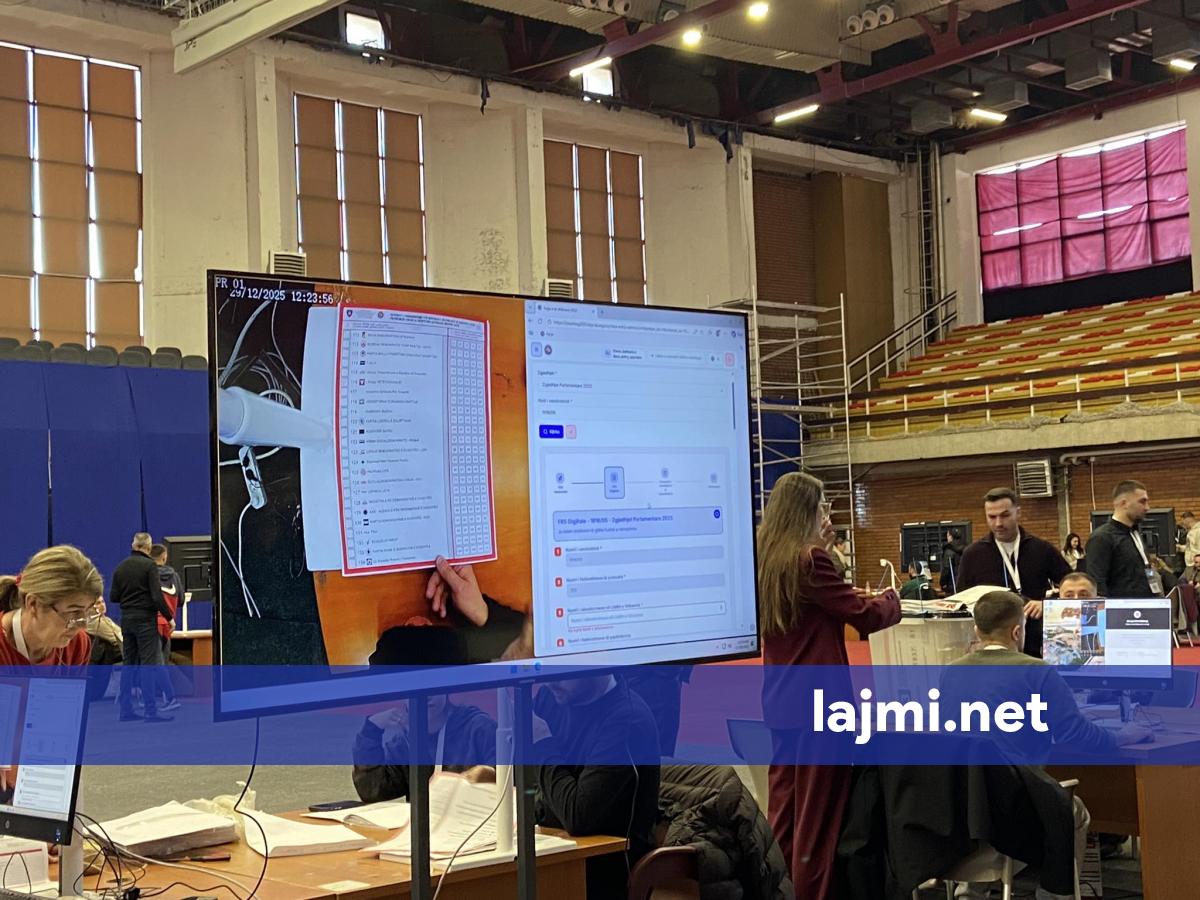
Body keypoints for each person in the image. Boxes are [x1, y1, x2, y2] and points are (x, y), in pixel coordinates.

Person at [946, 591, 1147, 900]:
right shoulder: (1037, 671)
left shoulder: (951, 671)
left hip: (964, 803)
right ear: (1017, 631)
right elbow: (1075, 734)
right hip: (1012, 803)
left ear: (977, 630)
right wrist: (1125, 736)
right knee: (1075, 812)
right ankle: (1056, 894)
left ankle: (972, 889)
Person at [758, 471, 900, 900]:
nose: (826, 515)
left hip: (781, 700)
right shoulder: (811, 559)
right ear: (807, 510)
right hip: (820, 706)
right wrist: (892, 597)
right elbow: (864, 616)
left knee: (784, 815)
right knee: (818, 823)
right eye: (822, 506)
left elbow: (825, 605)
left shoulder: (766, 558)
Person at [957, 487, 1071, 658]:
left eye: (1005, 515)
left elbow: (1073, 586)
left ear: (1018, 513)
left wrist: (1047, 604)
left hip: (1036, 641)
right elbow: (960, 599)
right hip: (992, 646)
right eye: (992, 517)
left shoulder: (1041, 549)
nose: (998, 523)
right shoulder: (973, 554)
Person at [352, 694, 499, 803]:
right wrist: (371, 730)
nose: (427, 696)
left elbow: (507, 781)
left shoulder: (479, 728)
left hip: (474, 822)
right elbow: (372, 791)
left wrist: (489, 775)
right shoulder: (404, 741)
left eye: (433, 688)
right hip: (424, 827)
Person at [111, 532, 176, 722]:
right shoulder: (149, 566)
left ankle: (125, 710)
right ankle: (150, 710)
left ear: (133, 545)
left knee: (129, 664)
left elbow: (114, 597)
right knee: (148, 664)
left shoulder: (120, 567)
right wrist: (169, 617)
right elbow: (156, 596)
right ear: (148, 547)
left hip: (127, 619)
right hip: (146, 620)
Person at [0, 546, 100, 666]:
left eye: (89, 611)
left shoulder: (78, 643)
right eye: (73, 611)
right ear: (33, 603)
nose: (83, 626)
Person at [1086, 480, 1158, 600]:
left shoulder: (1135, 534)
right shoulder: (1101, 538)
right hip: (1121, 608)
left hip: (1145, 604)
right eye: (1142, 501)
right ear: (1124, 503)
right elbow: (1097, 584)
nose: (1147, 507)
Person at [150, 545, 181, 713]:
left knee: (157, 662)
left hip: (153, 623)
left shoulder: (148, 576)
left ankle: (170, 697)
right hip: (168, 625)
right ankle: (161, 697)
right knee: (163, 661)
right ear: (165, 557)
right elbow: (181, 600)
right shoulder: (175, 576)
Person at [940, 528, 966, 594]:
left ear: (951, 537)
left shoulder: (948, 551)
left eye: (947, 536)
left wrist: (942, 582)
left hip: (952, 584)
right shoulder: (967, 548)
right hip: (965, 583)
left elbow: (946, 568)